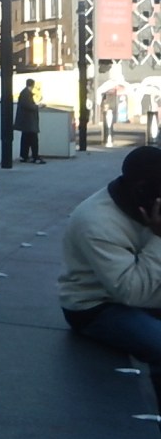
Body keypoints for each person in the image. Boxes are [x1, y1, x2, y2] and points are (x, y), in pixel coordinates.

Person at [59, 145, 161, 409]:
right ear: (142, 191)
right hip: (96, 306)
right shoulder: (96, 221)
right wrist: (159, 238)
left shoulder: (147, 204)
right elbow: (131, 292)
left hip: (145, 294)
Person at [15, 78, 45, 164]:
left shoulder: (24, 93)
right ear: (33, 85)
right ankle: (35, 157)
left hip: (26, 122)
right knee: (33, 139)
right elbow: (28, 106)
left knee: (26, 139)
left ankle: (24, 156)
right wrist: (38, 106)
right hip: (29, 122)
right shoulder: (26, 94)